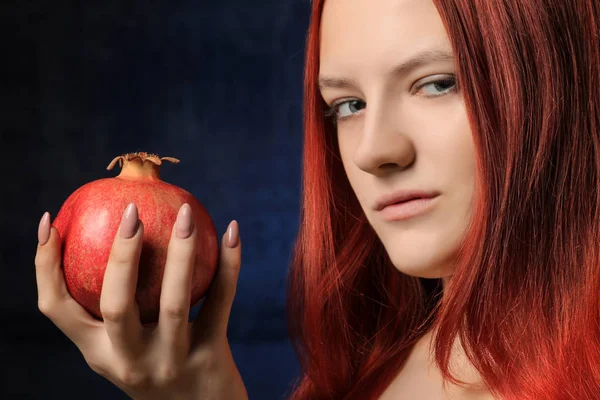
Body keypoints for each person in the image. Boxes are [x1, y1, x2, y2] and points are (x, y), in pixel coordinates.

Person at [35, 0, 600, 398]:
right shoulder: (370, 364)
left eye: (437, 83)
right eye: (347, 105)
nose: (373, 151)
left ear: (552, 79)